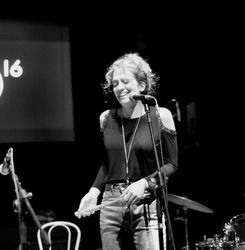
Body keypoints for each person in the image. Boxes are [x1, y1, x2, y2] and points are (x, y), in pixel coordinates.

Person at [76, 52, 178, 250]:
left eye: (125, 81)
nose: (119, 88)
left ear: (141, 85)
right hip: (111, 201)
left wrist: (145, 183)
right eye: (114, 84)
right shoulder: (106, 118)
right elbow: (108, 164)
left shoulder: (160, 115)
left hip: (146, 200)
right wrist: (93, 191)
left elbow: (171, 164)